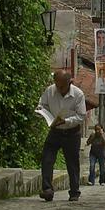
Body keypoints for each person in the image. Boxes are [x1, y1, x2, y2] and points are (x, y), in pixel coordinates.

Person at [38, 71, 86, 202]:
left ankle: (74, 192)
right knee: (47, 159)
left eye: (62, 87)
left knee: (72, 163)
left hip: (71, 132)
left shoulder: (78, 95)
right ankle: (47, 189)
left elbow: (81, 116)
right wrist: (42, 112)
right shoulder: (50, 91)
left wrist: (66, 121)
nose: (59, 89)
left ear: (69, 83)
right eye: (57, 85)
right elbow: (43, 104)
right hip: (55, 130)